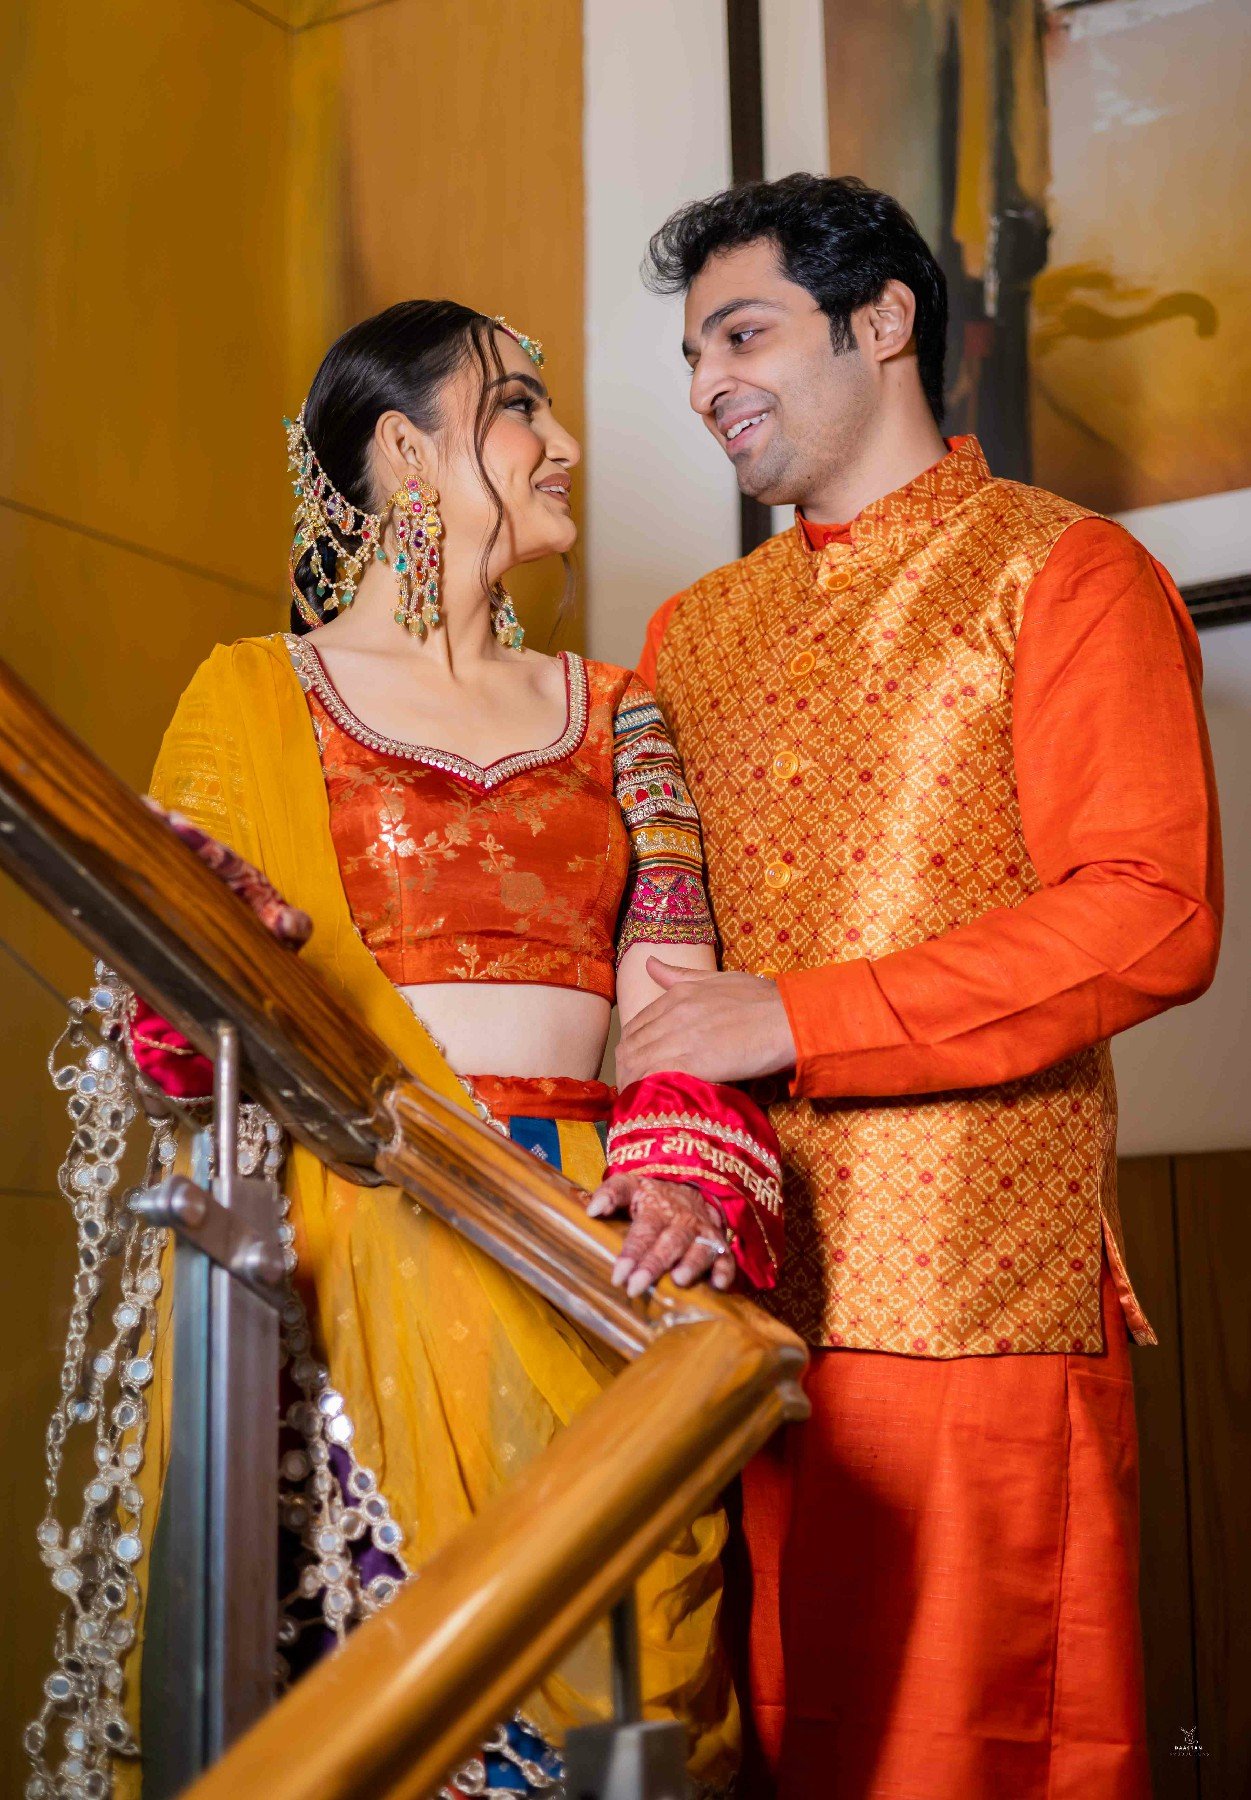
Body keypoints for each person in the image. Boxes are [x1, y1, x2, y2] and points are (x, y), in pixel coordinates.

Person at [30, 302, 785, 1800]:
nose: (565, 444)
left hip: (588, 1244)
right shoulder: (253, 696)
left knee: (617, 1692)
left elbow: (681, 1001)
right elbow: (171, 1058)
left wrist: (680, 1180)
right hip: (357, 1237)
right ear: (406, 450)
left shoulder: (620, 715)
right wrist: (209, 966)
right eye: (521, 408)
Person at [605, 174, 1222, 1799]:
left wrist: (796, 1018)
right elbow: (646, 930)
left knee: (967, 1757)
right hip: (727, 1304)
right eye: (691, 354)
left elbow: (1150, 913)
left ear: (880, 320)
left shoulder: (1061, 572)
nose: (705, 385)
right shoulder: (688, 634)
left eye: (742, 335)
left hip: (970, 1303)